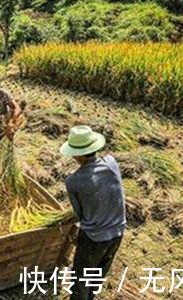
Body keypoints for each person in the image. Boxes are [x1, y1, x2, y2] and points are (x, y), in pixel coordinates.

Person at [59, 125, 126, 300]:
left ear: (78, 154)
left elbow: (80, 215)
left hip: (94, 238)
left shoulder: (74, 181)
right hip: (118, 231)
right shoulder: (112, 163)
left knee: (81, 279)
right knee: (98, 272)